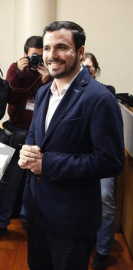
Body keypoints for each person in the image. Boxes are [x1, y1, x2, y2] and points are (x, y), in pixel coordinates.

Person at [19, 21, 124, 270]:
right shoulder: (44, 92)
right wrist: (27, 150)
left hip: (71, 220)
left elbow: (111, 161)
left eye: (61, 47)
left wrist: (48, 164)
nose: (51, 55)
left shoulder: (99, 98)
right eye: (46, 48)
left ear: (79, 51)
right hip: (37, 213)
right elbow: (35, 134)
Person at [0, 36, 52, 242]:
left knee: (33, 182)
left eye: (40, 55)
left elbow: (54, 102)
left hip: (39, 135)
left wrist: (46, 81)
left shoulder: (50, 71)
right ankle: (1, 222)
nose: (37, 59)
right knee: (10, 182)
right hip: (17, 132)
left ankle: (28, 219)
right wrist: (20, 72)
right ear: (25, 54)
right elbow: (12, 95)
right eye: (33, 55)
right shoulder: (14, 69)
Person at [82, 52, 116, 270]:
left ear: (96, 70)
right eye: (82, 67)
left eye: (90, 67)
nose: (86, 71)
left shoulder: (107, 93)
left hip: (101, 158)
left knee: (105, 197)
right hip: (79, 157)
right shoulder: (68, 92)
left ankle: (103, 250)